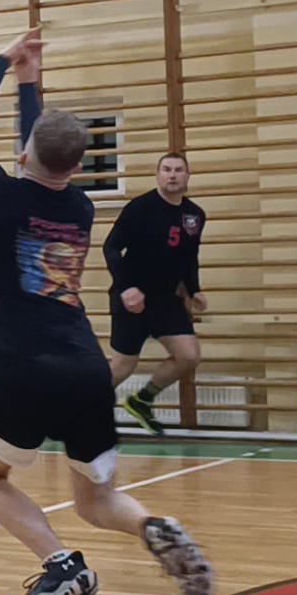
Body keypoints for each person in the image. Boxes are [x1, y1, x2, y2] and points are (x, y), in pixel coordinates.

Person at [0, 28, 212, 595]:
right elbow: (42, 146)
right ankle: (153, 526)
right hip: (87, 368)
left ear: (23, 156)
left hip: (22, 369)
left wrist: (2, 63)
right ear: (76, 166)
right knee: (96, 500)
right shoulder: (81, 206)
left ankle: (61, 565)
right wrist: (30, 81)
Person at [104, 153, 208, 437]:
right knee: (122, 367)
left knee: (189, 356)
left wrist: (195, 289)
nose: (172, 175)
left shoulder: (194, 215)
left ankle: (142, 400)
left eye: (178, 170)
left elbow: (189, 257)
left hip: (166, 300)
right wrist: (126, 287)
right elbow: (111, 248)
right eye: (166, 169)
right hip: (132, 299)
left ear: (187, 176)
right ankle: (75, 409)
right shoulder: (140, 208)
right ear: (158, 175)